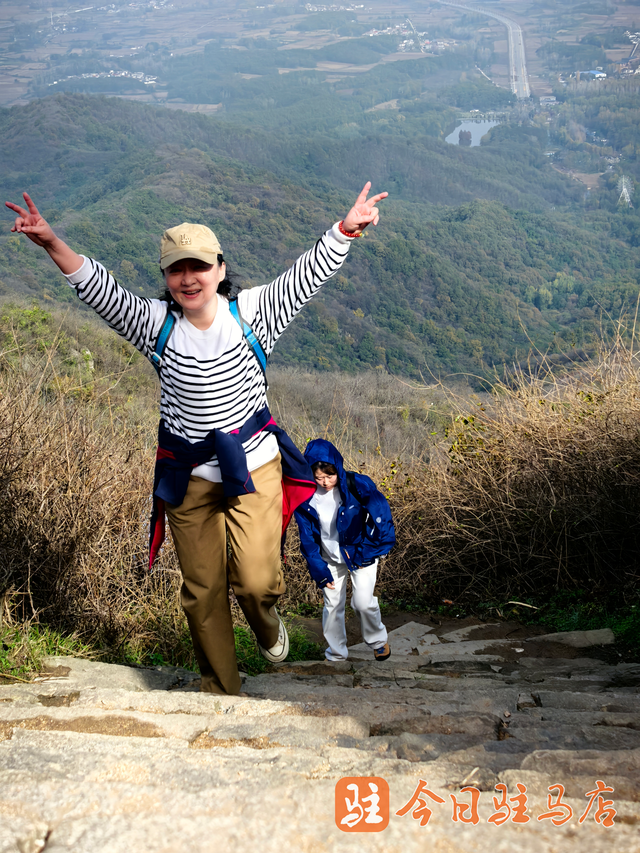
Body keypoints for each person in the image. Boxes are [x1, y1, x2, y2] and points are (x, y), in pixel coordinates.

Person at [5, 183, 388, 695]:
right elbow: (99, 289)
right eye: (176, 269)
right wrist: (53, 243)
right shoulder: (155, 324)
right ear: (166, 277)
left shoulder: (252, 313)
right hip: (187, 477)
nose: (189, 278)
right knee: (202, 590)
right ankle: (222, 693)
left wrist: (343, 230)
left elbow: (305, 277)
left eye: (199, 266)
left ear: (220, 270)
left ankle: (268, 622)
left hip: (253, 467)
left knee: (255, 581)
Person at [294, 439, 395, 662]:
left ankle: (378, 641)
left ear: (337, 470)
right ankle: (336, 655)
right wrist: (317, 567)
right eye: (318, 477)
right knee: (332, 606)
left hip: (360, 552)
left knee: (362, 602)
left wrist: (376, 546)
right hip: (328, 557)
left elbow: (380, 511)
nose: (325, 482)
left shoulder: (354, 484)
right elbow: (307, 537)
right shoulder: (305, 496)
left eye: (329, 476)